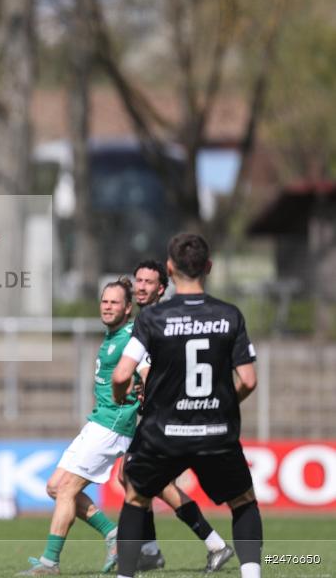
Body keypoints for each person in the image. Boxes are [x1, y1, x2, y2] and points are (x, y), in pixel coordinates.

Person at [111, 234, 262, 578]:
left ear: (169, 268)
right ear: (208, 267)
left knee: (135, 497)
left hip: (165, 433)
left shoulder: (153, 319)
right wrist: (222, 406)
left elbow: (122, 374)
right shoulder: (229, 315)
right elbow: (249, 380)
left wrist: (121, 398)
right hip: (215, 433)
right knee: (243, 502)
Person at [19, 277, 140, 575]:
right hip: (99, 420)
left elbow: (149, 370)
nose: (108, 306)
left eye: (115, 302)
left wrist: (146, 394)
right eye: (105, 301)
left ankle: (50, 562)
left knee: (65, 490)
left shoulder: (130, 338)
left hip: (113, 424)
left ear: (128, 308)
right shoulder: (113, 335)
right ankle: (113, 535)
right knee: (54, 487)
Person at [125, 260, 234, 572]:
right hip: (163, 412)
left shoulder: (157, 320)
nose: (141, 286)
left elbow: (152, 368)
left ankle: (213, 543)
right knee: (134, 476)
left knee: (149, 479)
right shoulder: (150, 318)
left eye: (149, 282)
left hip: (168, 415)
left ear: (162, 288)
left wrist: (145, 388)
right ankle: (151, 549)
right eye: (138, 280)